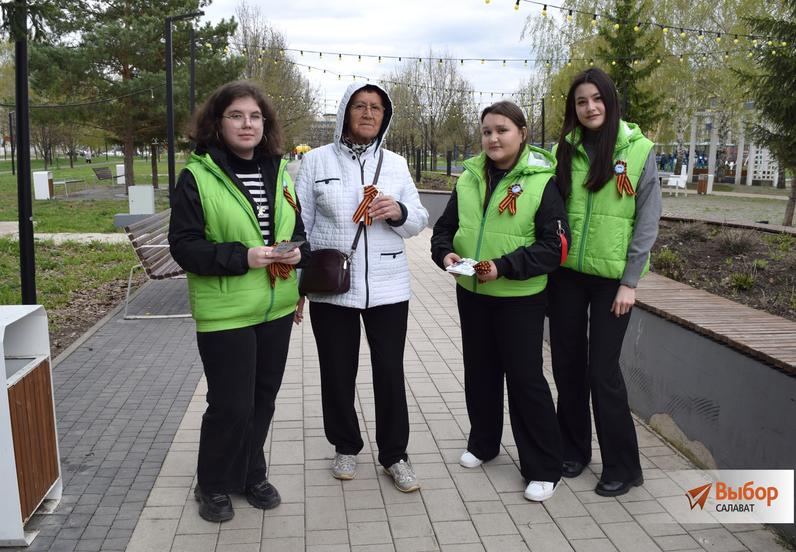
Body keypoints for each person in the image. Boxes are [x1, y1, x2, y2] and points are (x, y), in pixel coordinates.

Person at [169, 80, 310, 522]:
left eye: (255, 116)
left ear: (265, 123)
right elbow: (184, 246)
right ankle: (212, 483)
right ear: (218, 122)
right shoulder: (197, 175)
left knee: (262, 399)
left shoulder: (279, 170)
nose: (247, 124)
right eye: (236, 115)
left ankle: (251, 473)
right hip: (226, 310)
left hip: (276, 305)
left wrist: (298, 257)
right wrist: (241, 256)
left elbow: (295, 229)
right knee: (231, 404)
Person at [430, 101, 570, 502]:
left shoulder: (542, 182)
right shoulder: (469, 177)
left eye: (502, 130)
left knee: (525, 381)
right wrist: (445, 255)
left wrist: (504, 267)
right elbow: (444, 229)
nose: (493, 138)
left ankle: (544, 467)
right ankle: (484, 443)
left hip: (519, 299)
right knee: (480, 373)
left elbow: (555, 247)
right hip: (473, 295)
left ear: (522, 134)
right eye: (487, 131)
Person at [294, 82, 428, 492]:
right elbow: (301, 226)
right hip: (332, 285)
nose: (368, 113)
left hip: (388, 286)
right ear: (344, 112)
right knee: (337, 370)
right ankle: (345, 446)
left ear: (385, 117)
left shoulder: (396, 164)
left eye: (376, 107)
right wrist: (298, 287)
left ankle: (395, 455)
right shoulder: (316, 161)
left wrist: (399, 211)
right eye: (360, 106)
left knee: (389, 370)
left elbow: (419, 220)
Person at [548, 67, 661, 497]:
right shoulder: (563, 149)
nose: (590, 107)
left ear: (610, 101)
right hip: (566, 278)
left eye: (596, 98)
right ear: (573, 108)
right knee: (567, 366)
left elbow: (647, 220)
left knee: (602, 373)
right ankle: (573, 450)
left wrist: (630, 281)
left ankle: (624, 466)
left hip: (612, 283)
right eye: (581, 101)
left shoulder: (639, 150)